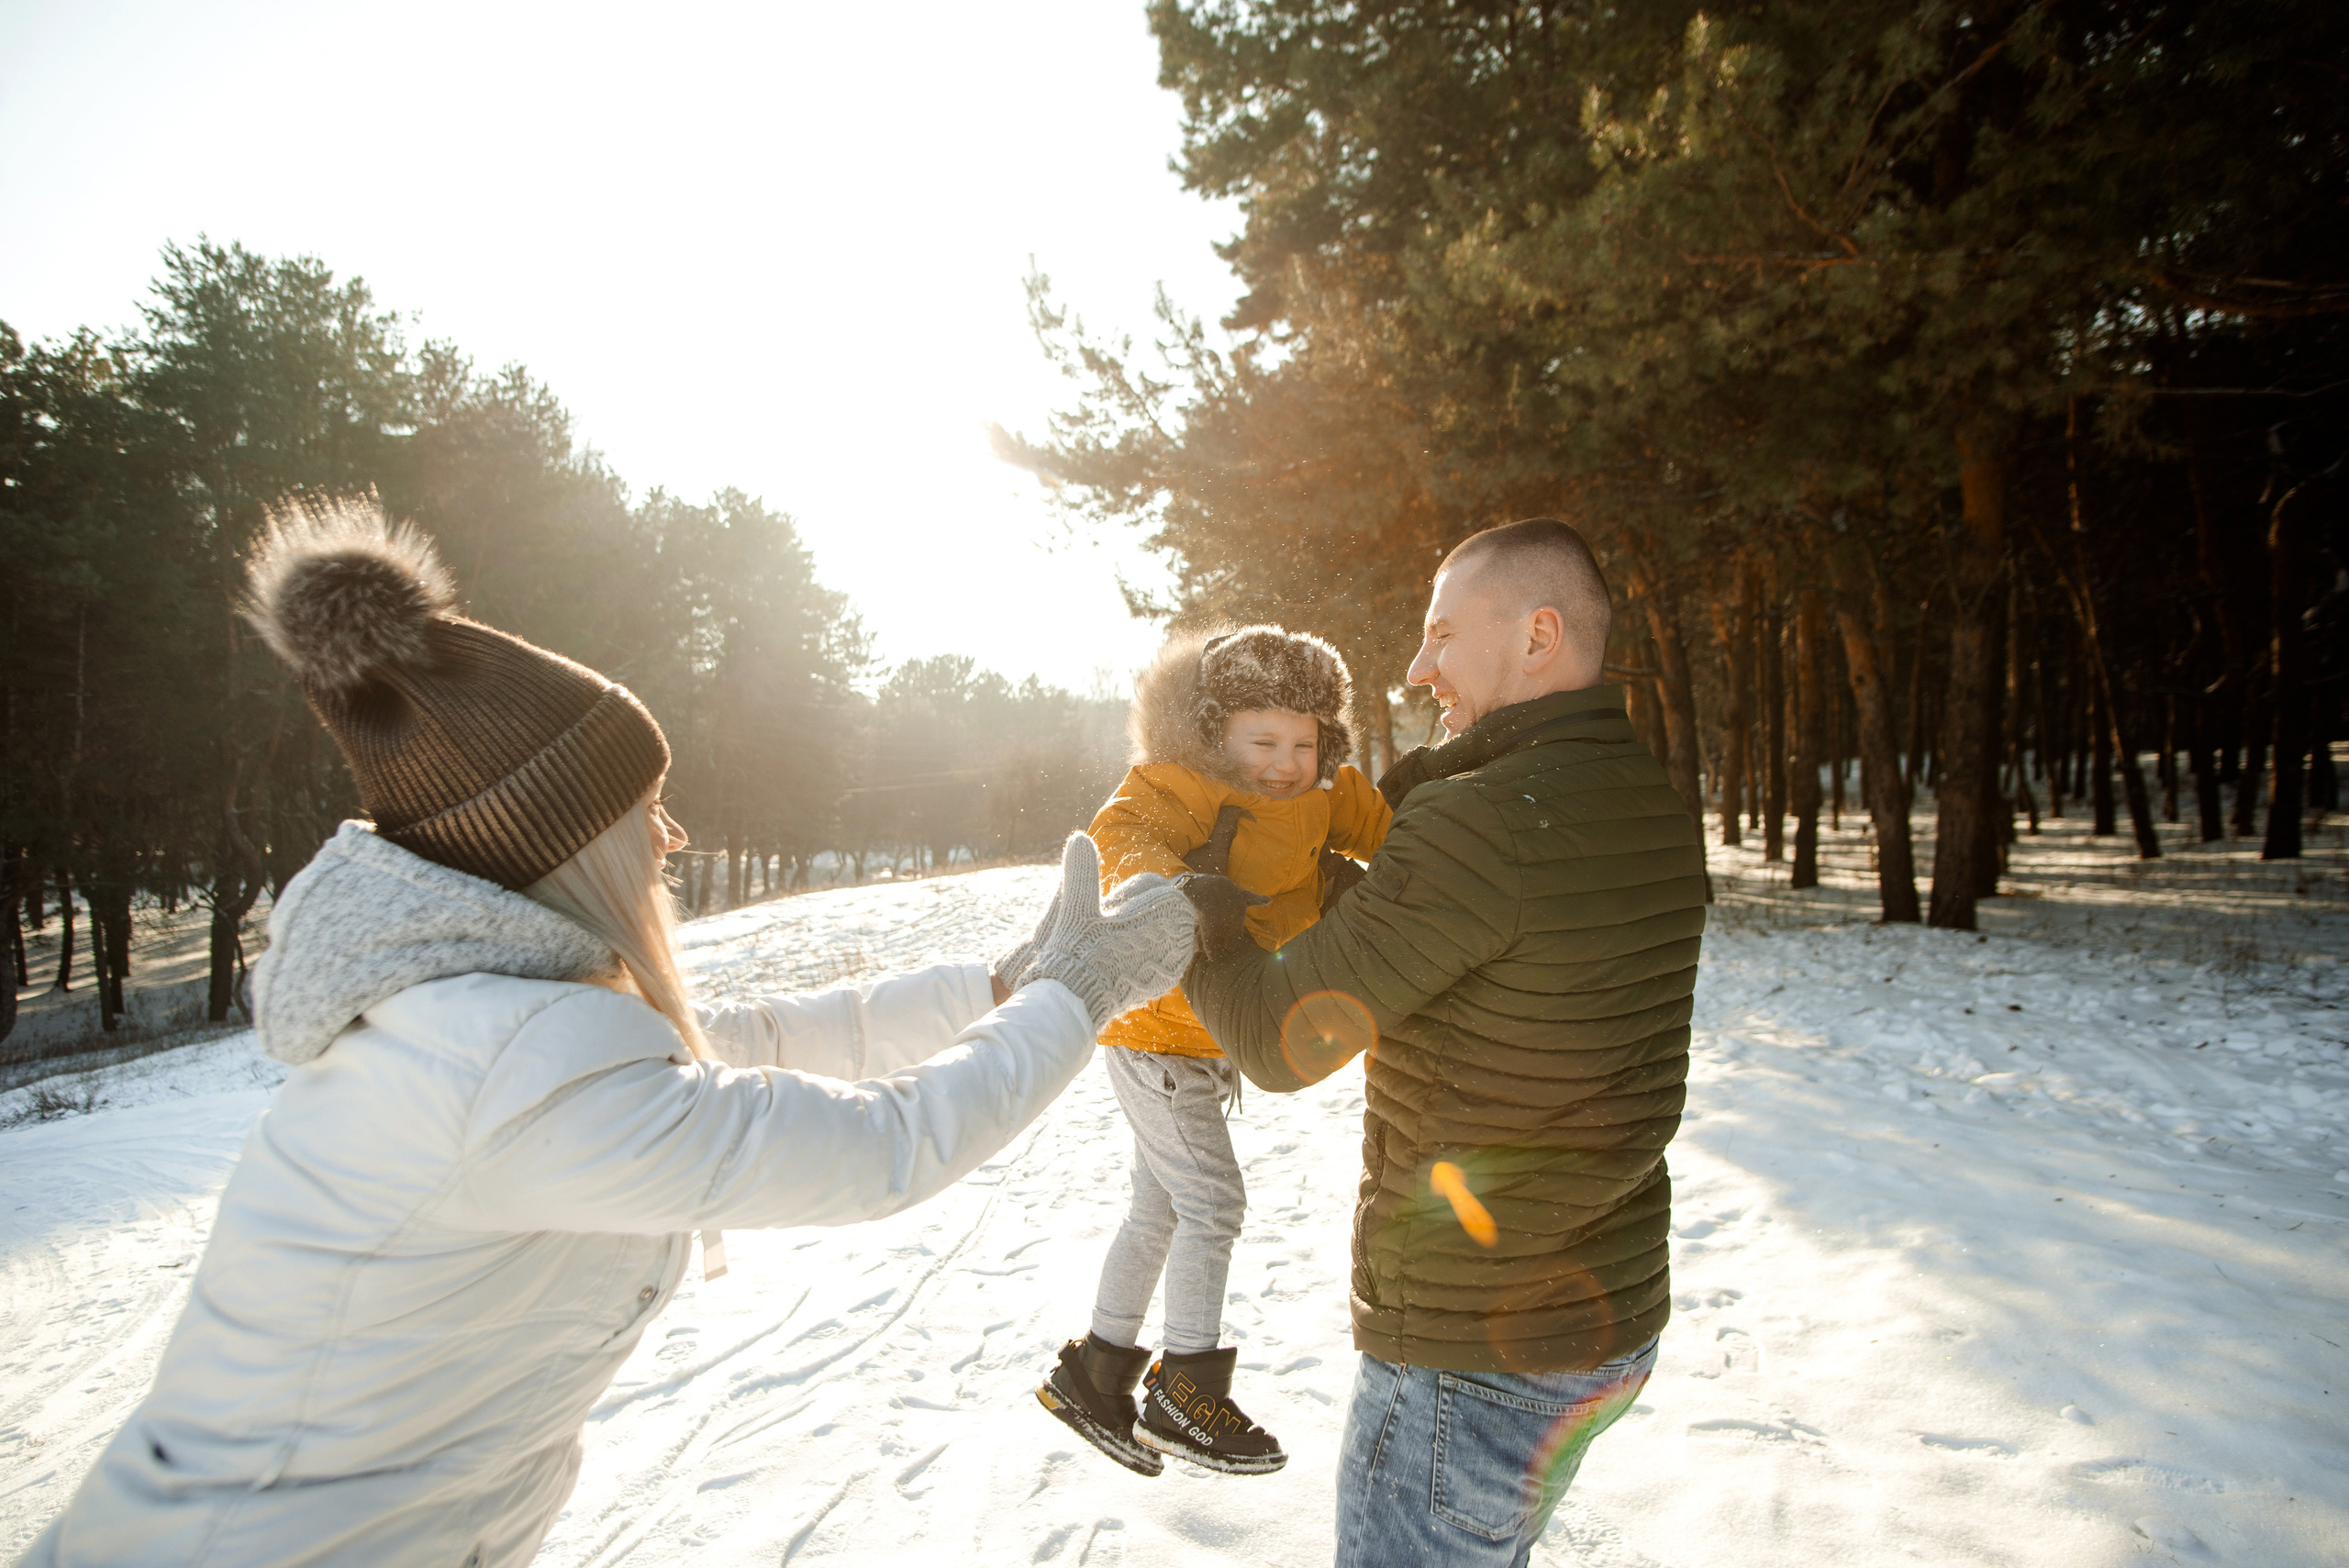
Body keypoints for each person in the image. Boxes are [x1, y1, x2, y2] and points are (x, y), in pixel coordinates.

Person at [18, 499, 1197, 1568]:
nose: (673, 837)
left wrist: (1003, 983)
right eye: (645, 810)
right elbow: (884, 1148)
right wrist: (1076, 997)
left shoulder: (495, 1013)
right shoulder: (505, 1062)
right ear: (563, 842)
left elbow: (764, 1039)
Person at [1180, 520, 1708, 1568]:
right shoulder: (1648, 796)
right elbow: (1472, 938)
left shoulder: (1483, 822)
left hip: (1473, 1358)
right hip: (1603, 1319)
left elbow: (1280, 1044)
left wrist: (1195, 908)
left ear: (1537, 636)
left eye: (1440, 636)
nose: (1418, 668)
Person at [1032, 627, 1391, 1477]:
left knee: (1159, 1208)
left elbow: (1391, 829)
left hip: (1205, 1038)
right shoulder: (1184, 783)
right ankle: (1186, 1385)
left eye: (1303, 742)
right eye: (1261, 741)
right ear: (1216, 732)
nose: (1283, 762)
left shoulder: (1325, 791)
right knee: (1213, 1201)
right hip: (1158, 1033)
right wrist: (1187, 885)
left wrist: (1432, 854)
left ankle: (1096, 1372)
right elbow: (1124, 835)